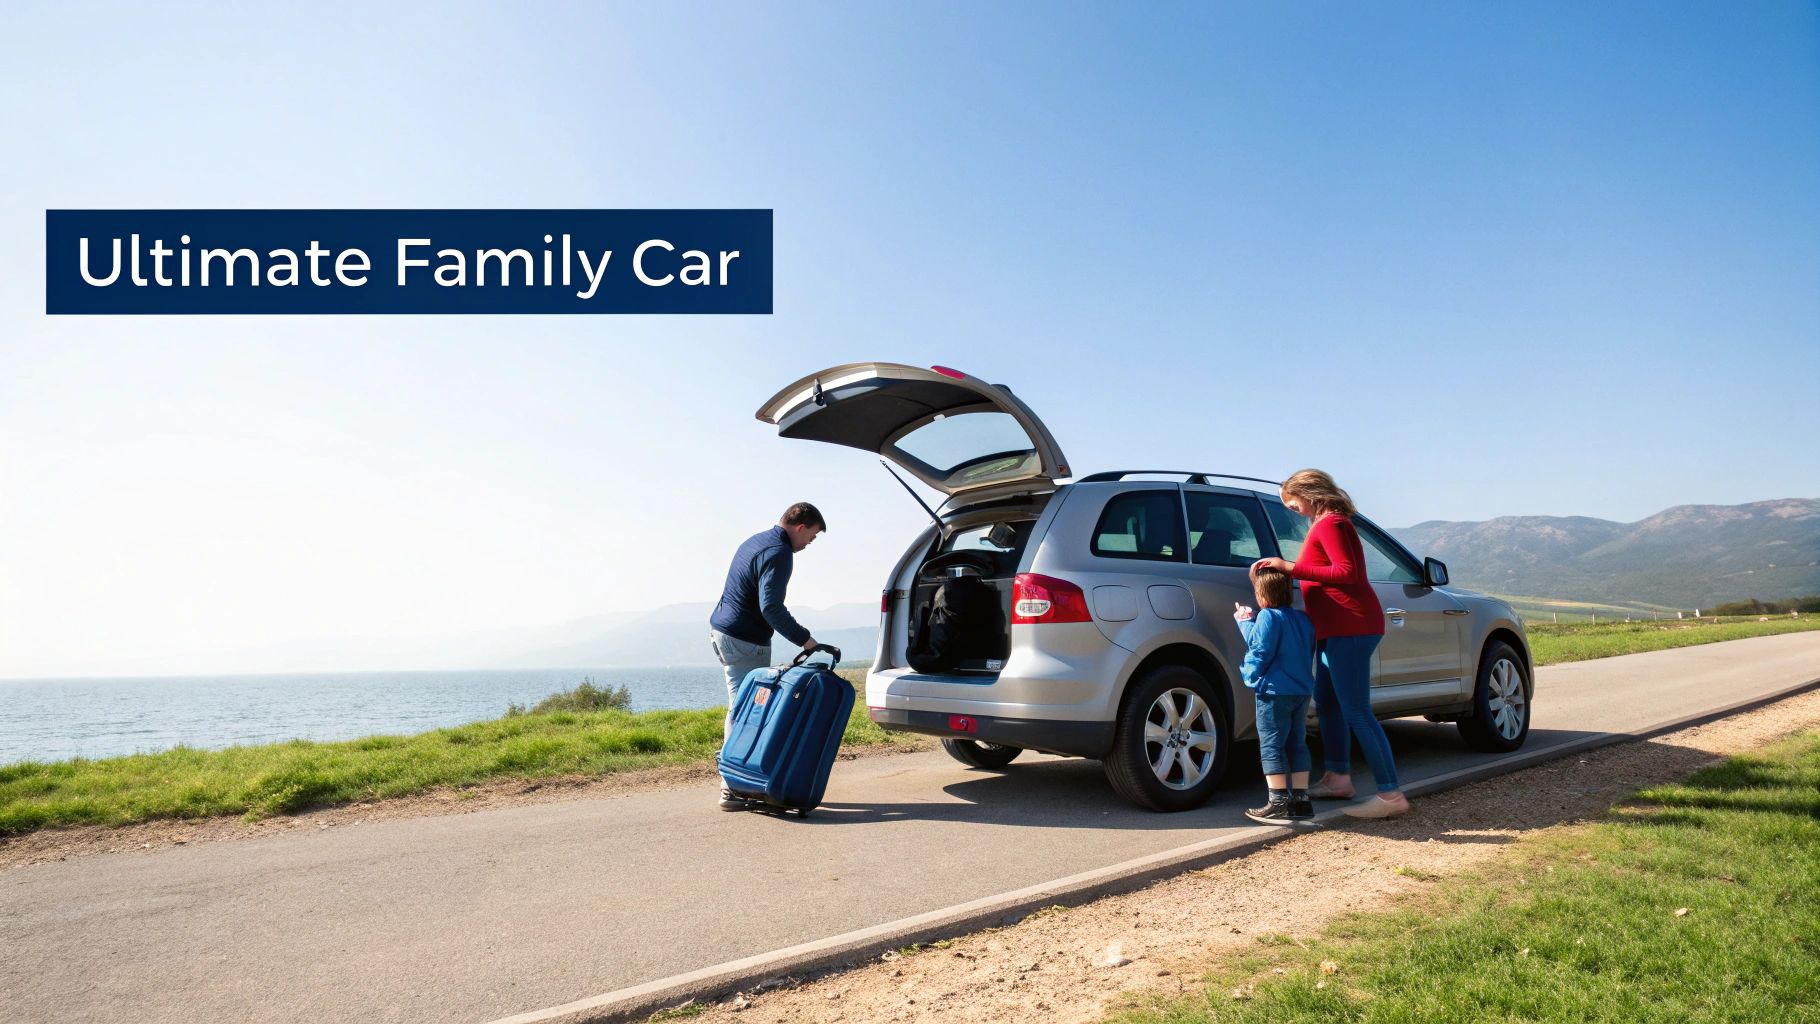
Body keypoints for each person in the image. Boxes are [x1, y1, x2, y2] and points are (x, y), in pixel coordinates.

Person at [1252, 469, 1408, 819]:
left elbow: (1347, 572)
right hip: (1333, 629)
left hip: (1350, 626)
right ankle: (1338, 778)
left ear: (1307, 493)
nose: (1290, 507)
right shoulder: (1326, 523)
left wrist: (1289, 567)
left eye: (1291, 501)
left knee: (1357, 711)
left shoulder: (1331, 524)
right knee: (1329, 704)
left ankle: (1390, 794)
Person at [708, 502, 825, 809]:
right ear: (800, 527)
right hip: (745, 640)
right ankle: (732, 787)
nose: (809, 544)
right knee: (746, 711)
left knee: (740, 706)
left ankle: (738, 780)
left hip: (724, 632)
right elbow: (770, 607)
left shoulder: (757, 540)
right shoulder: (779, 552)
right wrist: (806, 641)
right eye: (811, 537)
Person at [1234, 565, 1317, 824]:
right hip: (1301, 690)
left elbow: (1261, 648)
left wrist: (1249, 675)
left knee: (1271, 744)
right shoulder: (1303, 619)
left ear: (1262, 597)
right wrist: (1248, 622)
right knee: (1297, 742)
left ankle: (1277, 800)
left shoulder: (1267, 617)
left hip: (1274, 691)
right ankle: (1301, 801)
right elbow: (1279, 643)